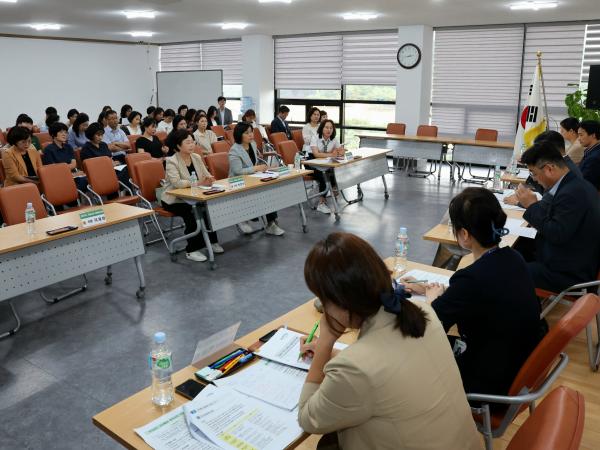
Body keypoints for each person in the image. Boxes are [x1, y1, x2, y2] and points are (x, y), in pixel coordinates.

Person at [298, 232, 481, 450]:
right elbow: (390, 366)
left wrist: (325, 343)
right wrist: (333, 355)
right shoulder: (424, 312)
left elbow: (308, 418)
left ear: (341, 303)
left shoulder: (356, 367)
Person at [408, 188, 544, 399]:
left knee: (410, 354)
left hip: (486, 383)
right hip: (517, 366)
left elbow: (428, 326)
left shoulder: (471, 278)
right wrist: (433, 289)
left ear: (464, 235)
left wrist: (431, 299)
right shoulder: (513, 258)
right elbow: (480, 294)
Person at [515, 141, 600, 292]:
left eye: (533, 173)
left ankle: (528, 313)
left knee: (508, 271)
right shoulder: (574, 184)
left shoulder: (572, 193)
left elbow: (556, 233)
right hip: (571, 258)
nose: (534, 179)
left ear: (549, 168)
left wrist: (532, 206)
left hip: (570, 274)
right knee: (516, 250)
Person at [161, 129, 223, 261]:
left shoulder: (196, 157)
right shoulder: (171, 161)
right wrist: (198, 182)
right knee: (192, 213)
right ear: (178, 145)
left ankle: (212, 241)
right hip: (174, 199)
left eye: (192, 142)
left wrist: (210, 179)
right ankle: (192, 249)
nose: (191, 145)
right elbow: (177, 183)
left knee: (208, 209)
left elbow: (206, 174)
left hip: (195, 195)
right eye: (187, 142)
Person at [228, 122, 285, 236]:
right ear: (239, 135)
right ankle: (243, 218)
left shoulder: (252, 144)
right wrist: (256, 168)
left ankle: (271, 224)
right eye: (247, 133)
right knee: (260, 193)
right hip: (238, 182)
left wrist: (266, 168)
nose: (251, 135)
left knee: (268, 190)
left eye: (251, 132)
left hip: (252, 178)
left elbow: (254, 164)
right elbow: (238, 171)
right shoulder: (234, 150)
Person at [504, 130, 582, 205]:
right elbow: (547, 194)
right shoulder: (565, 164)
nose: (537, 155)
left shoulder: (564, 170)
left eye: (539, 151)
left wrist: (519, 202)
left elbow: (548, 206)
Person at [308, 119, 345, 214]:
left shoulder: (333, 139)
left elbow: (341, 151)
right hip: (312, 162)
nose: (329, 130)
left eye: (331, 128)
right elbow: (316, 154)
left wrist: (339, 152)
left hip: (325, 162)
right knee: (323, 176)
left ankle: (333, 187)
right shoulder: (315, 138)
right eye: (326, 127)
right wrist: (331, 154)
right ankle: (321, 203)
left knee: (335, 171)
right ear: (322, 128)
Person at [43, 122, 88, 192]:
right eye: (61, 132)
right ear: (53, 134)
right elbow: (53, 170)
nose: (64, 134)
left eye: (66, 132)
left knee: (88, 179)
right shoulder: (48, 150)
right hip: (59, 178)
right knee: (82, 182)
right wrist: (70, 173)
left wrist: (63, 168)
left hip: (73, 175)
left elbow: (74, 164)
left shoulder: (68, 147)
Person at [577, 120, 600, 190]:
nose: (578, 139)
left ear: (593, 135)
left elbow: (583, 181)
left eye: (581, 135)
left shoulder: (595, 157)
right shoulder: (591, 150)